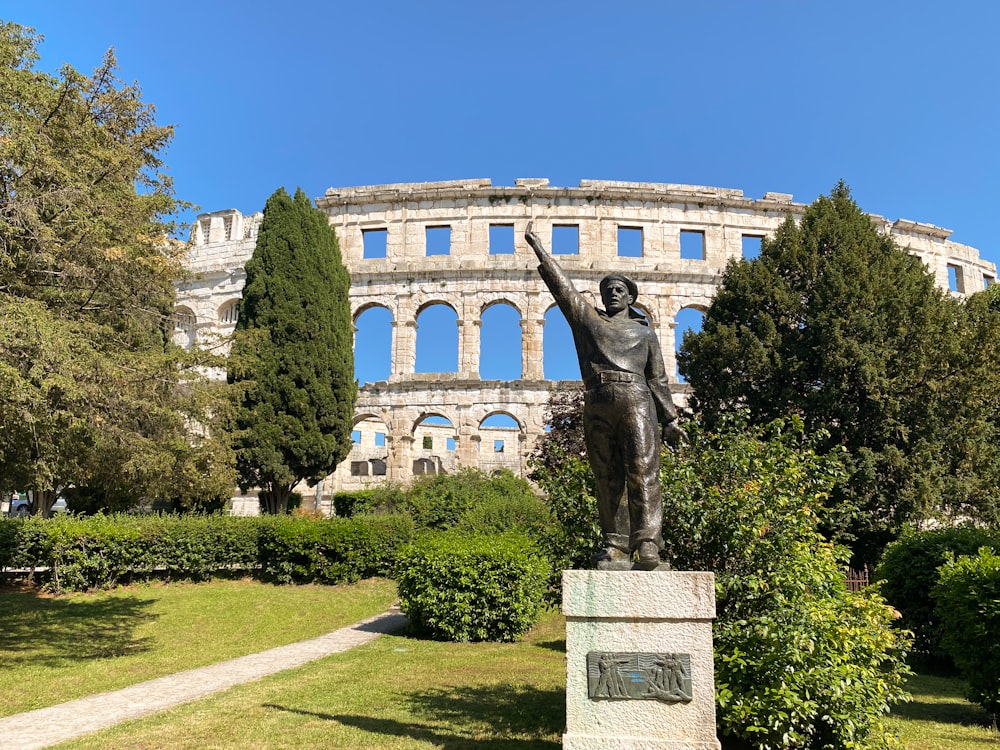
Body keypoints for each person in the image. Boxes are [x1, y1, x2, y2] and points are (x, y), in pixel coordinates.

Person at [525, 222, 684, 570]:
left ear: (630, 297)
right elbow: (562, 288)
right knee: (606, 476)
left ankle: (647, 545)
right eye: (607, 289)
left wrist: (670, 418)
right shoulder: (589, 321)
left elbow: (657, 378)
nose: (612, 293)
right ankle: (615, 545)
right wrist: (539, 250)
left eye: (618, 289)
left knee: (643, 471)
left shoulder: (645, 333)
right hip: (597, 401)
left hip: (635, 398)